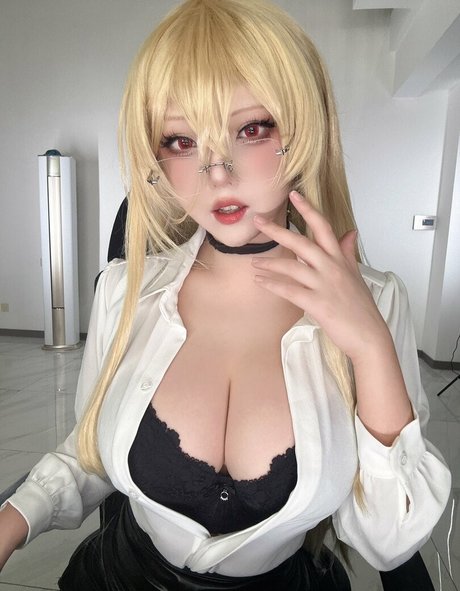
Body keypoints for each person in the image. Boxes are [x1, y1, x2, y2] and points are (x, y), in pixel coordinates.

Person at [0, 0, 451, 589]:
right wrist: (12, 521)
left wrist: (369, 346)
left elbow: (390, 542)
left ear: (304, 128)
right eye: (180, 140)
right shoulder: (125, 292)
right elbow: (90, 454)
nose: (217, 172)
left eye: (252, 129)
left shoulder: (377, 304)